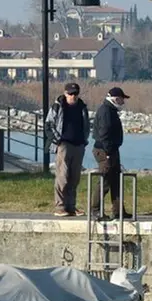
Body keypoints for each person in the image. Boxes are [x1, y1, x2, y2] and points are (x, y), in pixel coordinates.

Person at [46, 82, 90, 217]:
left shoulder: (82, 107)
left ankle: (71, 206)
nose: (73, 96)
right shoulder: (58, 106)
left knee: (74, 177)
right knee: (62, 177)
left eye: (75, 93)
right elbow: (49, 124)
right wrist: (57, 141)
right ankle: (60, 206)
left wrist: (84, 140)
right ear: (65, 93)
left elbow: (86, 125)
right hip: (64, 145)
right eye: (70, 94)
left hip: (79, 145)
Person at [91, 86, 132, 220]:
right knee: (105, 181)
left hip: (111, 150)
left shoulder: (111, 110)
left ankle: (118, 211)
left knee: (116, 180)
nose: (123, 102)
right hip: (104, 151)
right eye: (121, 99)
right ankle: (96, 210)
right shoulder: (106, 112)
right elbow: (104, 134)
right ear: (115, 99)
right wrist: (108, 153)